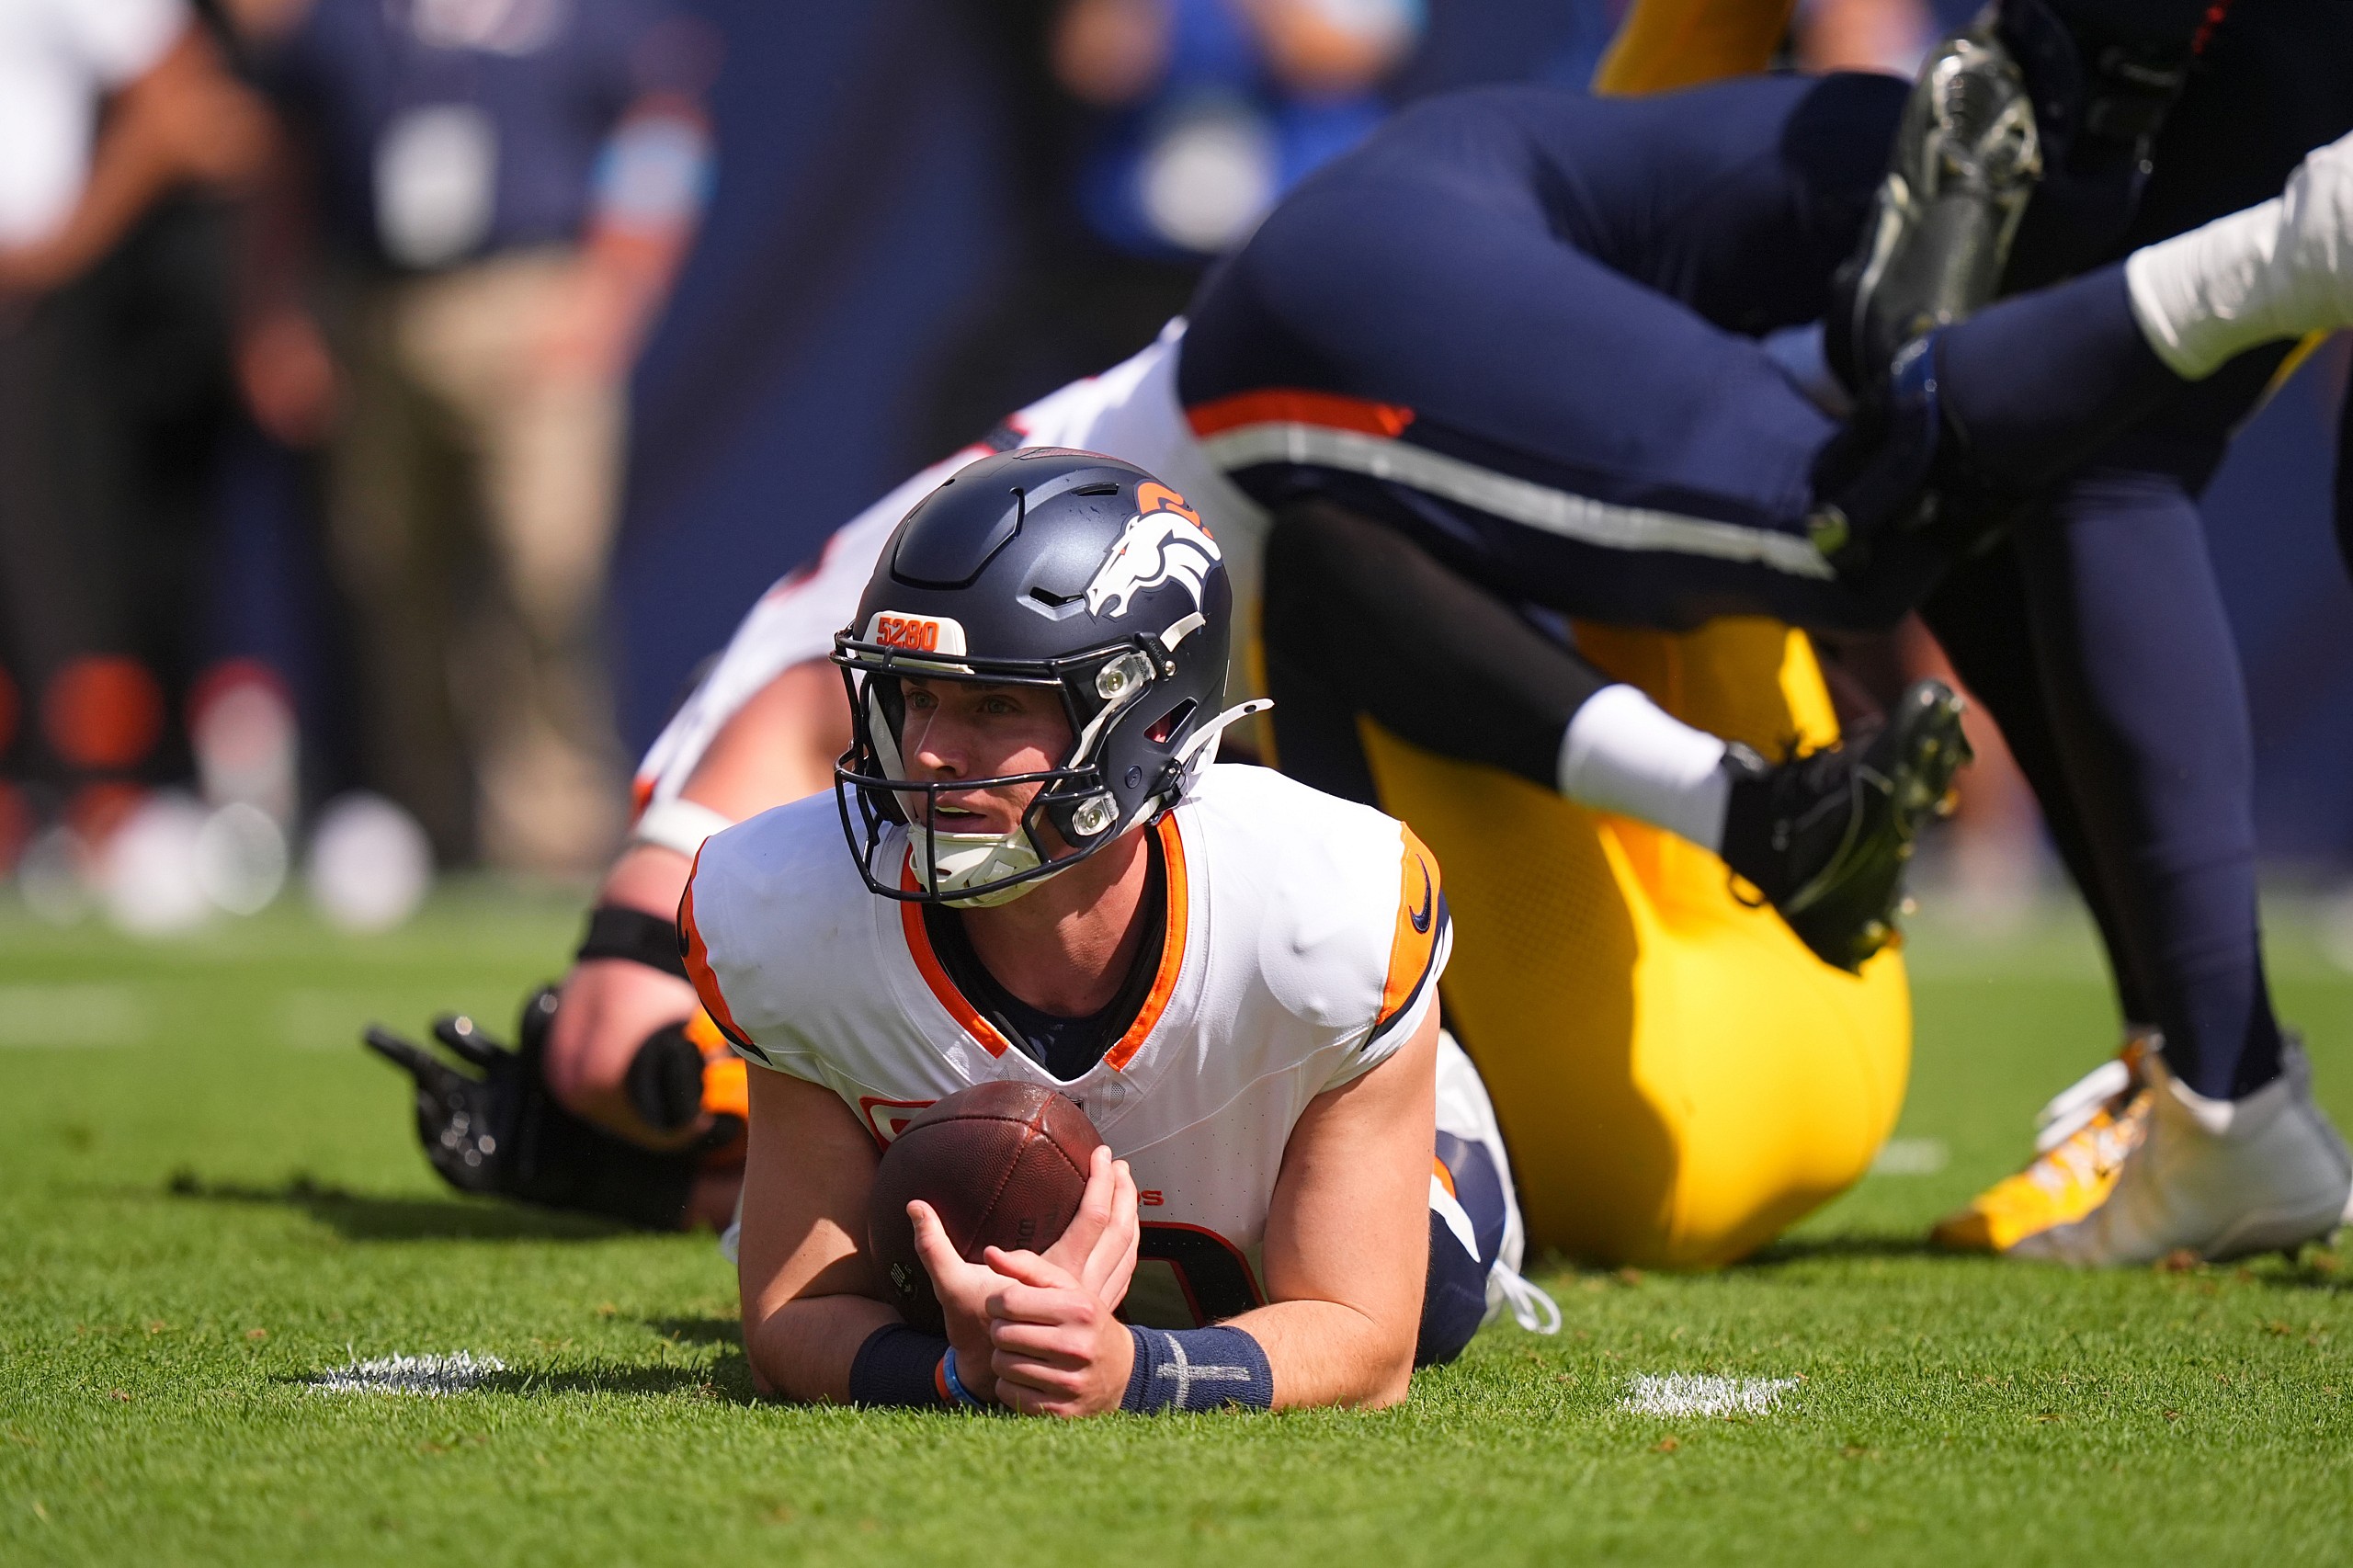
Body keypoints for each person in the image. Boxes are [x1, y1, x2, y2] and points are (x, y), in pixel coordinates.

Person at [375, 64, 2353, 1267]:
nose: (949, 762)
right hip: (1451, 272)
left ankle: (2283, 244)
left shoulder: (789, 741)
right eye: (941, 715)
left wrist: (641, 1094)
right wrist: (696, 1137)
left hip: (1306, 342)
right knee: (2002, 400)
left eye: (963, 706)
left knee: (1847, 511)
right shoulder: (923, 698)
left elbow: (626, 992)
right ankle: (2201, 1072)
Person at [687, 449, 1552, 1412]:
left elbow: (1362, 1332)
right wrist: (948, 1371)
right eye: (914, 694)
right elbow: (791, 1321)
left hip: (1305, 1159)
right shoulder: (797, 915)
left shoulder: (1318, 915)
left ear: (1145, 721)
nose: (927, 748)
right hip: (998, 1239)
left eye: (995, 702)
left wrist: (1135, 1371)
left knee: (1429, 1296)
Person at [222, 0, 713, 875]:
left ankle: (552, 831)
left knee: (544, 566)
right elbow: (288, 158)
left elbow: (665, 135)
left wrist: (617, 285)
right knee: (390, 573)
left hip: (532, 293)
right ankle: (422, 825)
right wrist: (275, 303)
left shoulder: (589, 21)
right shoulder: (348, 24)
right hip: (374, 303)